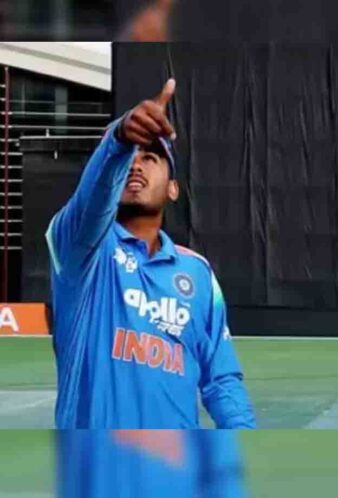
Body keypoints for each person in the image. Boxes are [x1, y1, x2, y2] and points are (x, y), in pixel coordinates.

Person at [46, 78, 256, 429]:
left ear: (173, 189)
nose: (135, 164)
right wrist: (120, 138)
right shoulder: (80, 250)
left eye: (151, 157)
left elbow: (221, 380)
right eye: (129, 157)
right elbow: (94, 198)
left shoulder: (197, 272)